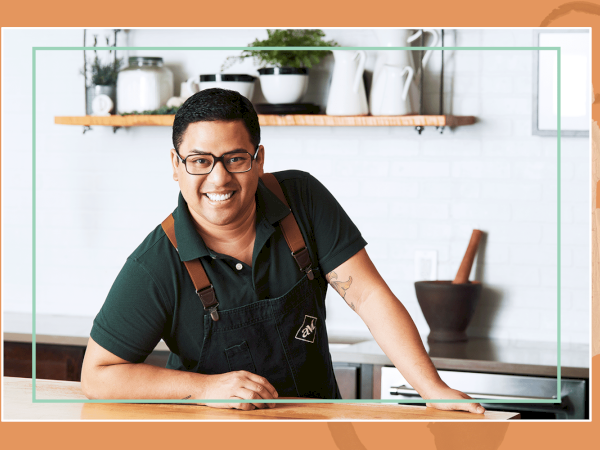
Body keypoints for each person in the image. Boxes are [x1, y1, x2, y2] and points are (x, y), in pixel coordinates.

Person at [81, 88, 485, 415]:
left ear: (258, 160)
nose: (218, 178)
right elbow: (97, 376)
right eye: (200, 161)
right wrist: (204, 387)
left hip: (317, 433)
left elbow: (367, 295)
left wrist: (432, 388)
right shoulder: (156, 264)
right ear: (175, 164)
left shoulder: (302, 200)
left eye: (235, 158)